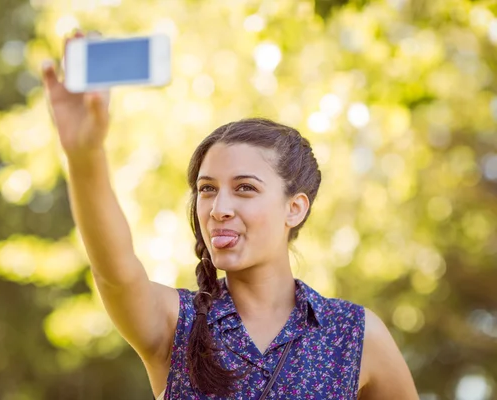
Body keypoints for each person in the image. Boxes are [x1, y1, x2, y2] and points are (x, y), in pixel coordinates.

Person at [41, 30, 419, 400]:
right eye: (207, 189)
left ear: (295, 208)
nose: (219, 209)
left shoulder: (353, 335)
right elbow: (114, 271)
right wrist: (83, 155)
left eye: (245, 188)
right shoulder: (176, 324)